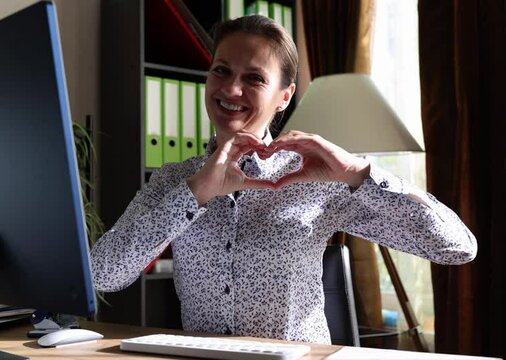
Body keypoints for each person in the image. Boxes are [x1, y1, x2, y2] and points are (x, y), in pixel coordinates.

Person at [90, 15, 477, 344]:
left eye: (254, 78)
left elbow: (457, 248)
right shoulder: (175, 179)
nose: (230, 89)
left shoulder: (317, 178)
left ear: (284, 96)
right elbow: (104, 274)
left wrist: (358, 172)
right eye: (221, 70)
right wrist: (195, 194)